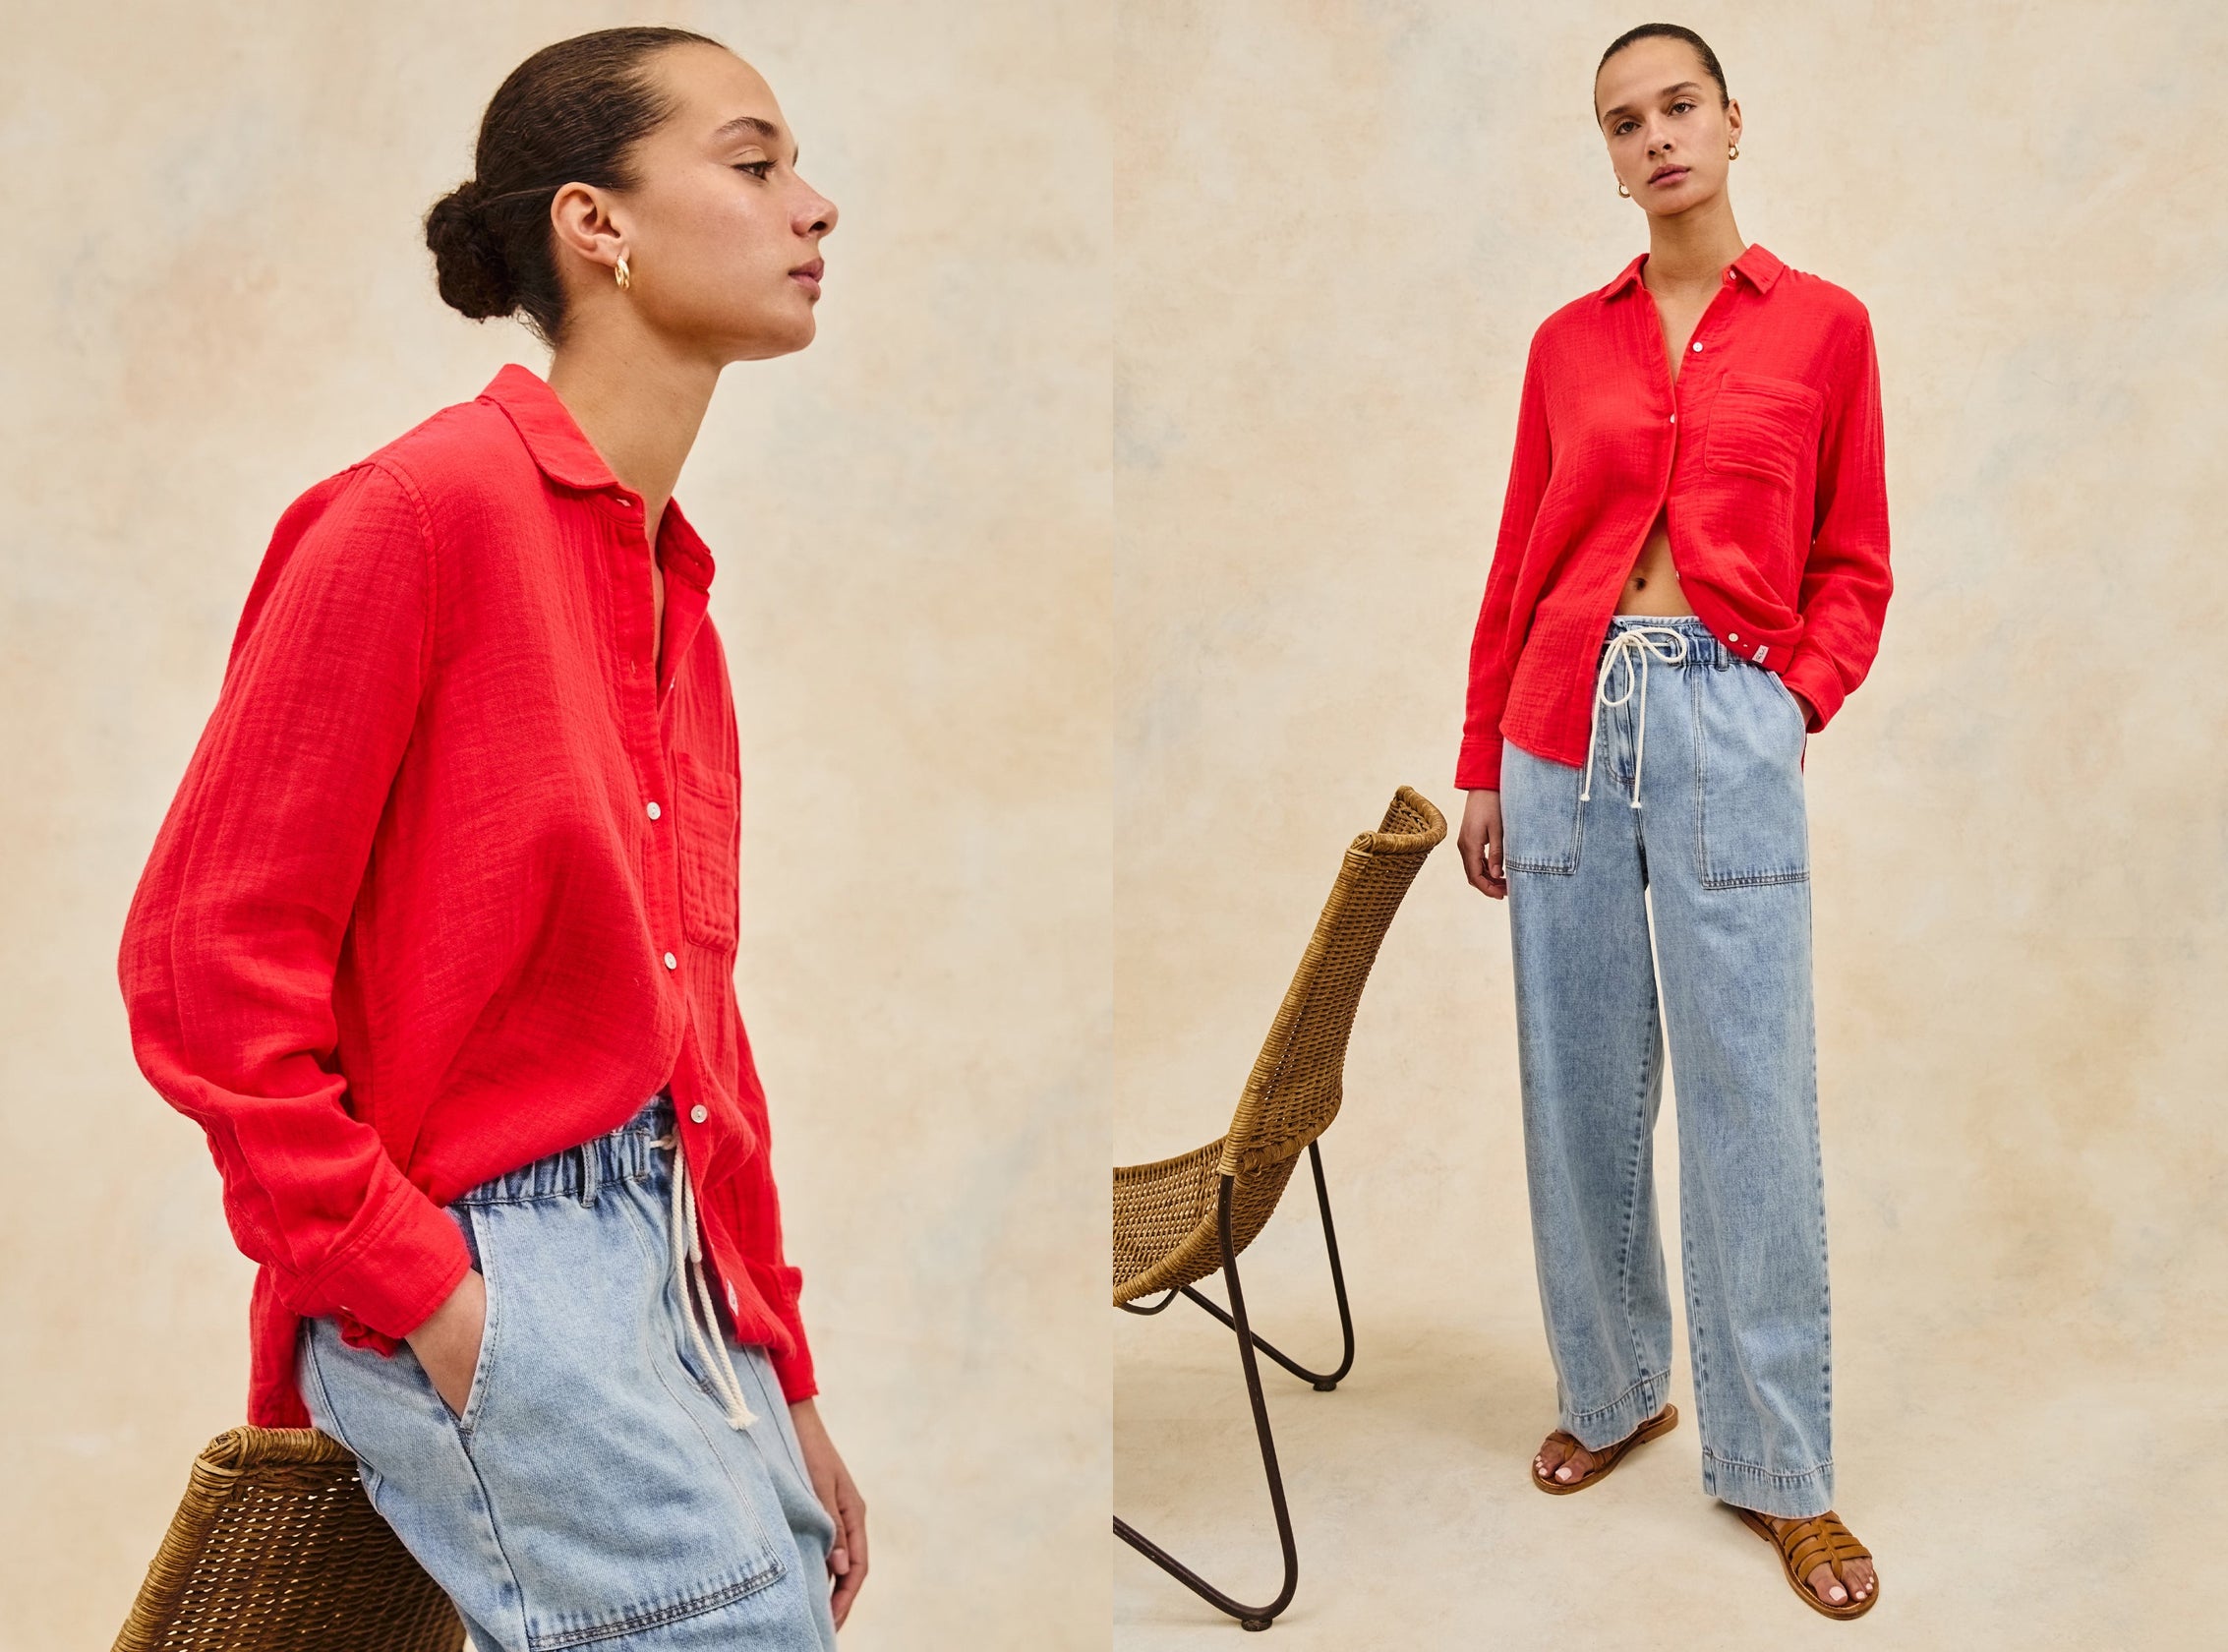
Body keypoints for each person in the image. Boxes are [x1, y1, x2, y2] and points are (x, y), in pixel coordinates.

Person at [115, 27, 864, 1648]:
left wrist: (776, 1364)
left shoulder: (675, 593)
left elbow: (688, 1027)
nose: (812, 207)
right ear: (596, 225)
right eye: (753, 164)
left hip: (678, 1261)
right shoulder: (418, 512)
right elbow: (202, 960)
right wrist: (431, 1297)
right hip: (503, 1257)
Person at [1452, 24, 1889, 1622]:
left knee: (1745, 1098)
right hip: (1558, 725)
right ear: (1609, 150)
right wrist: (1480, 758)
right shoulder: (1568, 345)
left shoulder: (1824, 329)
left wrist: (1789, 699)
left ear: (1729, 119)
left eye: (1676, 107)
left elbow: (1856, 560)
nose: (1652, 139)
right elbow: (1517, 557)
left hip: (1721, 717)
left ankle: (1782, 1472)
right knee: (1576, 1085)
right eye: (1621, 122)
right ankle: (1616, 1382)